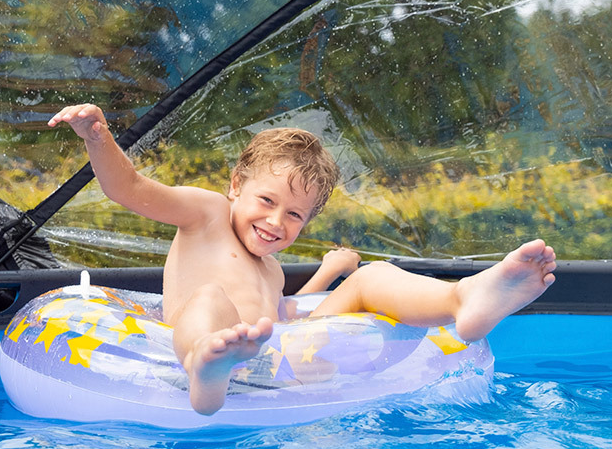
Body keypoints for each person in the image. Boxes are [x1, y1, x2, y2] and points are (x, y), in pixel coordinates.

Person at [49, 104, 557, 415]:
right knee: (209, 301)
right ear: (234, 185)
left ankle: (463, 297)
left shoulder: (270, 268)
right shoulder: (205, 214)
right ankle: (206, 366)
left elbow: (288, 315)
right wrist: (99, 137)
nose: (275, 221)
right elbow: (129, 189)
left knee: (373, 276)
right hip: (207, 353)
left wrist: (332, 276)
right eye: (266, 201)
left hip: (274, 359)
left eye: (294, 215)